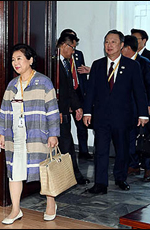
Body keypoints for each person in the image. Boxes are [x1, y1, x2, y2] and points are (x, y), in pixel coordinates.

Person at [0, 43, 60, 223]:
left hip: (38, 135)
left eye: (19, 59)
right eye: (13, 60)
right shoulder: (12, 85)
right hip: (15, 136)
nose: (16, 63)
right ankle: (15, 210)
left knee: (44, 170)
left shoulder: (43, 82)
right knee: (14, 171)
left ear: (30, 60)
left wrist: (53, 134)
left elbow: (53, 110)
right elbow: (4, 111)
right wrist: (1, 134)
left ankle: (50, 203)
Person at [83, 30, 149, 195]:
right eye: (106, 42)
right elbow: (90, 91)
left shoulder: (132, 66)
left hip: (123, 117)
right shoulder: (98, 65)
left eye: (113, 42)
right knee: (101, 151)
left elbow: (139, 91)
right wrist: (87, 112)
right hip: (101, 117)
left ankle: (120, 178)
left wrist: (143, 114)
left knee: (122, 150)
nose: (109, 45)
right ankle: (100, 184)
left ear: (121, 45)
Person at [121, 35, 150, 182]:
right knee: (130, 138)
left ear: (128, 48)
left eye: (122, 47)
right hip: (129, 109)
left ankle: (149, 168)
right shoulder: (122, 63)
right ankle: (133, 165)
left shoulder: (144, 63)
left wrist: (149, 105)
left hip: (144, 109)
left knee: (146, 138)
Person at [55, 33, 90, 185]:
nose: (74, 52)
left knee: (67, 144)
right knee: (64, 145)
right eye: (72, 48)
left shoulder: (66, 63)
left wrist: (77, 107)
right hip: (56, 112)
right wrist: (56, 111)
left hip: (64, 112)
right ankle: (68, 177)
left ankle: (73, 176)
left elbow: (70, 89)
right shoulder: (52, 63)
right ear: (64, 45)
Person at [60, 29, 92, 160]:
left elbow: (80, 75)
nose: (74, 50)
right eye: (72, 45)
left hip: (77, 92)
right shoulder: (56, 59)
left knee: (82, 124)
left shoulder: (78, 55)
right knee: (65, 131)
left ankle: (84, 151)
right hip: (64, 96)